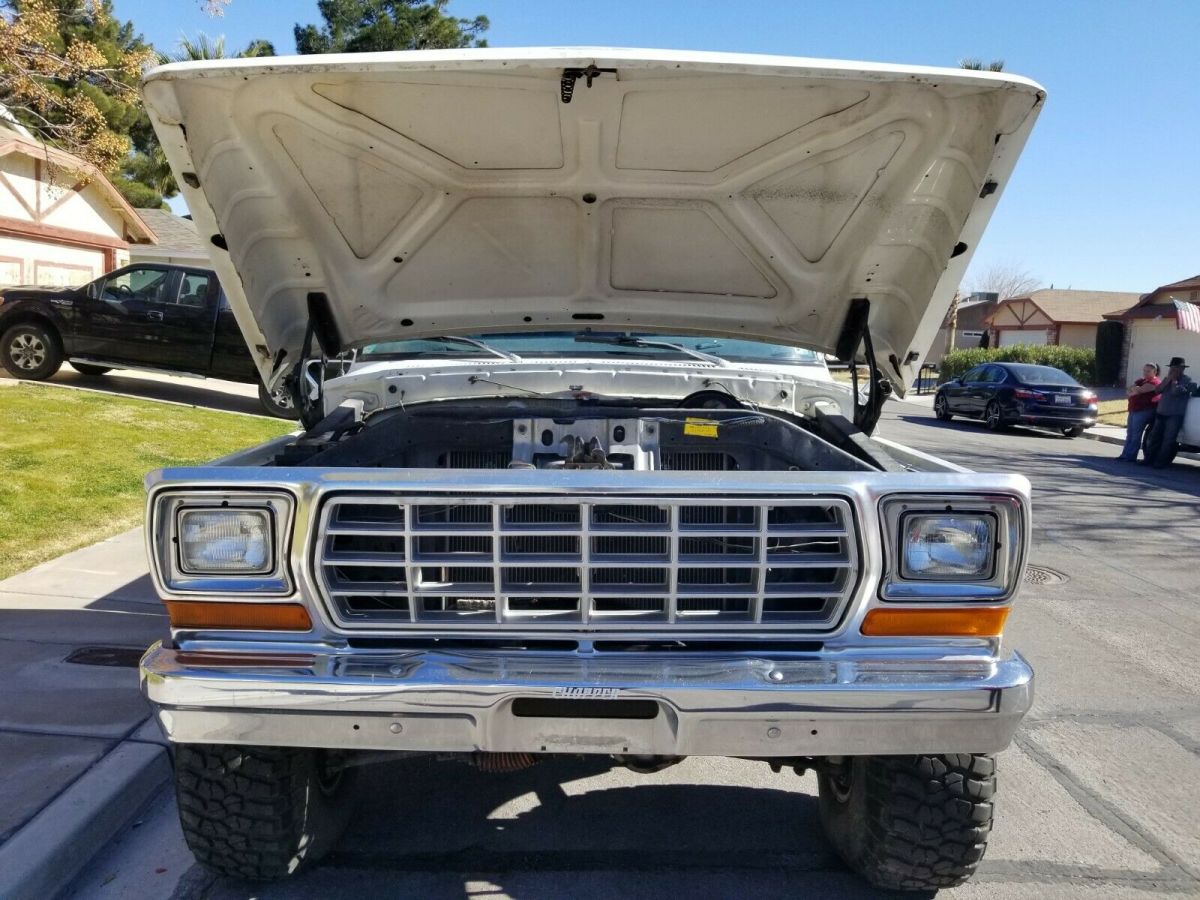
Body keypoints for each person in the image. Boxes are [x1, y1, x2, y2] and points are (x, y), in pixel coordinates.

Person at [1144, 357, 1197, 468]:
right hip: (1161, 412)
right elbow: (1157, 390)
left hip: (1174, 415)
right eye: (1171, 368)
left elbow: (1176, 392)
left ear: (1181, 369)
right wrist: (1167, 380)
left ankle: (1160, 462)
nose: (1172, 370)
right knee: (1154, 438)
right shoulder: (1167, 379)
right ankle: (1148, 460)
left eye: (1175, 368)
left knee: (1168, 440)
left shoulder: (1187, 380)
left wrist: (1174, 381)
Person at [1118, 363, 1161, 460]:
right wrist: (1134, 389)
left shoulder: (1155, 382)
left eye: (1148, 371)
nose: (1145, 373)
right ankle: (1125, 454)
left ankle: (1131, 456)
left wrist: (1136, 390)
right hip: (1133, 409)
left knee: (1136, 434)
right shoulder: (1141, 380)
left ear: (1154, 372)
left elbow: (1140, 390)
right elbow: (1129, 391)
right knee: (1130, 432)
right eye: (1144, 370)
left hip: (1144, 411)